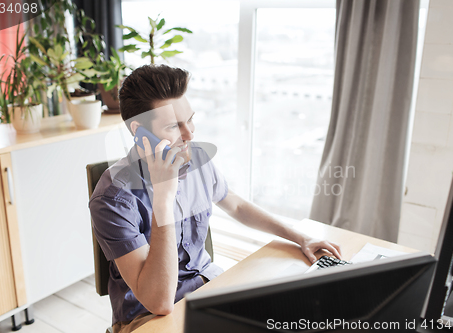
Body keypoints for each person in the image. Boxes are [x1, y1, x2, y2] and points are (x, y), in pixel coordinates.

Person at [89, 64, 342, 333]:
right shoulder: (112, 198)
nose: (189, 135)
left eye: (190, 120)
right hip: (146, 318)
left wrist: (302, 237)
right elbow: (159, 302)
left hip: (210, 289)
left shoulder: (194, 158)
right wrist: (164, 198)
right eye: (174, 126)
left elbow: (237, 206)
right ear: (139, 131)